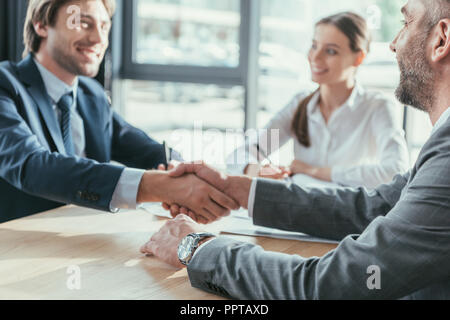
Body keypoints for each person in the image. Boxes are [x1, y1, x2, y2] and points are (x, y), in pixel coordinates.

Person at [142, 0, 450, 299]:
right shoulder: (301, 105)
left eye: (406, 22)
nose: (394, 43)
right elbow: (376, 206)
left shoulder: (405, 125)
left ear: (441, 39)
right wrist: (238, 187)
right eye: (314, 46)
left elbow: (335, 285)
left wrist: (197, 247)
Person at [0, 0, 239, 223]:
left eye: (104, 26)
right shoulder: (6, 85)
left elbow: (142, 148)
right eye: (83, 22)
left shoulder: (90, 94)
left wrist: (186, 173)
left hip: (84, 241)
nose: (98, 38)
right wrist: (156, 187)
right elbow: (30, 166)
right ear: (41, 25)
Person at [227, 12, 410, 189]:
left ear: (358, 57)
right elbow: (238, 156)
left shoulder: (377, 107)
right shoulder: (300, 104)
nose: (315, 57)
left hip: (347, 216)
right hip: (294, 212)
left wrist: (315, 171)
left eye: (330, 51)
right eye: (314, 46)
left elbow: (396, 172)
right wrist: (257, 169)